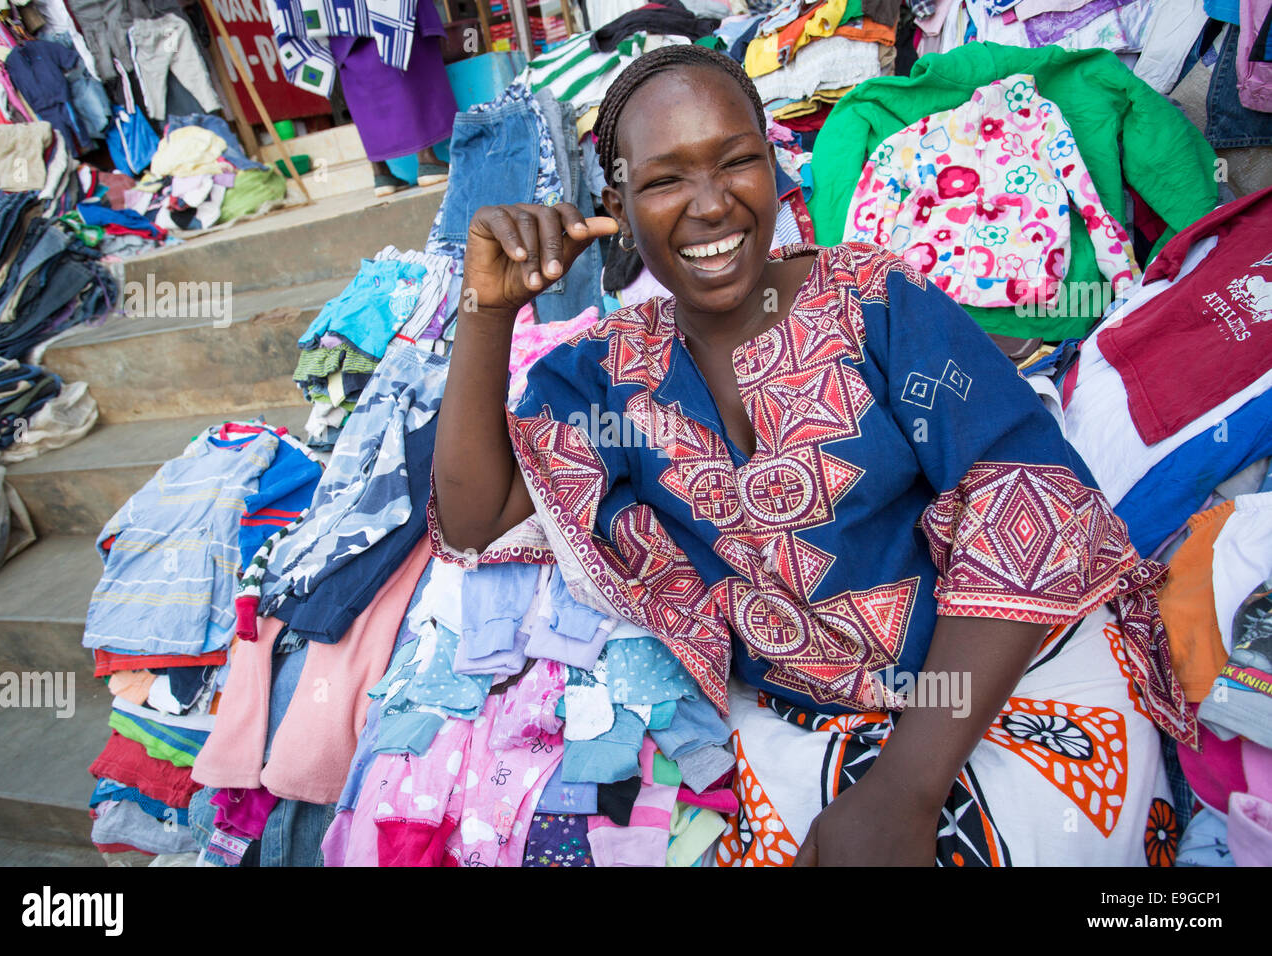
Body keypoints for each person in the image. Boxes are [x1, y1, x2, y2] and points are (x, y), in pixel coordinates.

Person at [431, 45, 1195, 866]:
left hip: (1012, 682)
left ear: (774, 165)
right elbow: (478, 521)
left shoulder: (874, 301)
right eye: (664, 181)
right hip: (804, 725)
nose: (712, 204)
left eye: (737, 162)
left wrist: (907, 786)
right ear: (616, 201)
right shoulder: (605, 371)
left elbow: (1026, 506)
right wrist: (487, 311)